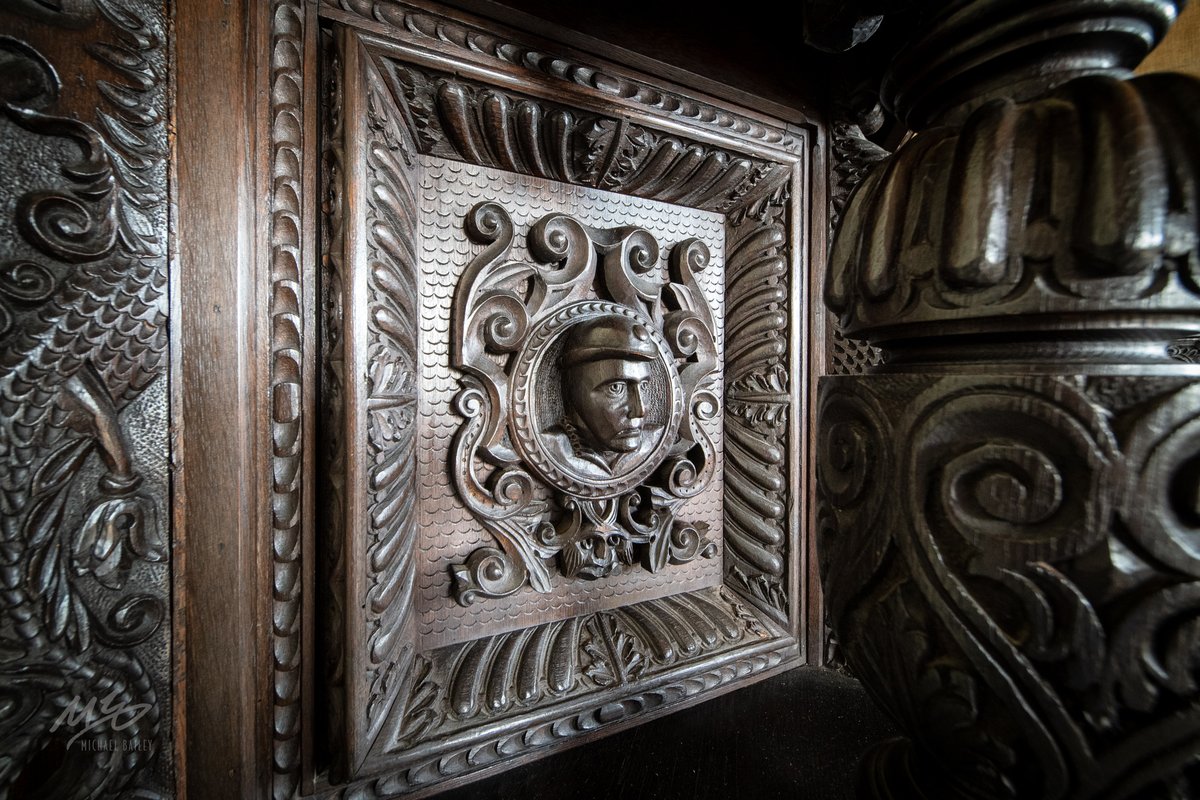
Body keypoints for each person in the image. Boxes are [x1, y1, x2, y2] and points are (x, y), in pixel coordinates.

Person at [541, 315, 664, 479]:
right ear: (574, 390)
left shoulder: (654, 439)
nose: (640, 411)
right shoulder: (551, 446)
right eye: (616, 388)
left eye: (643, 386)